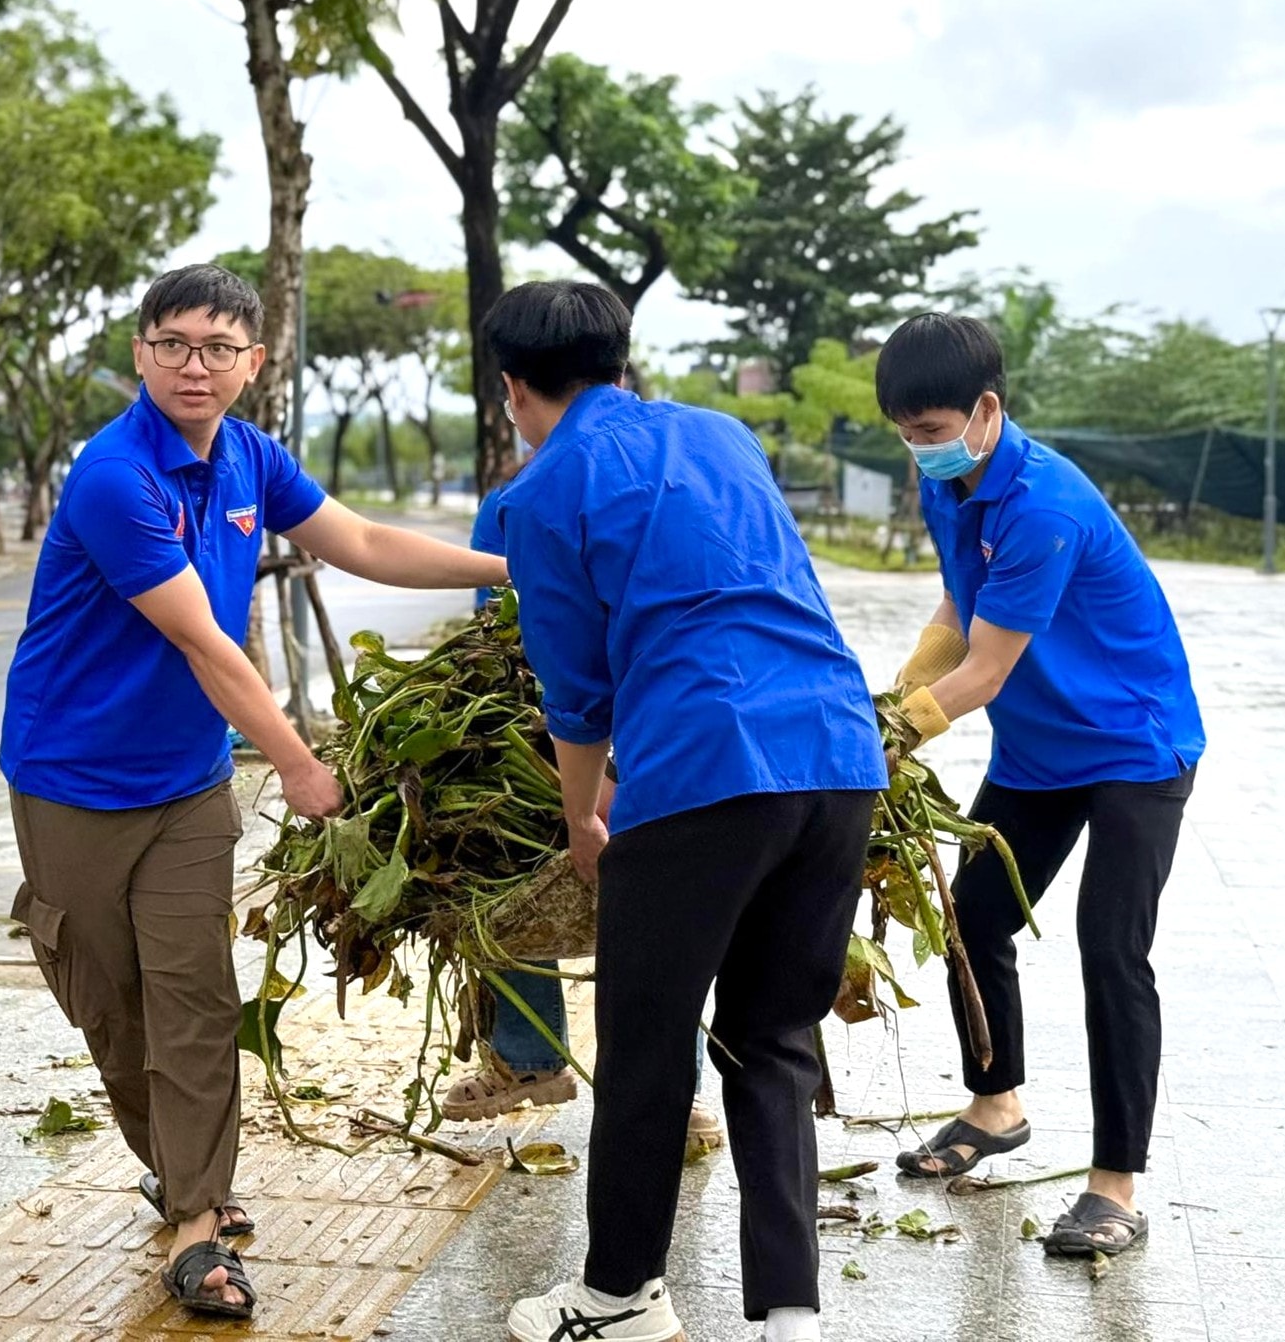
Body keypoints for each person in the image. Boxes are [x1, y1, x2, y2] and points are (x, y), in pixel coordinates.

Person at [0, 264, 506, 1321]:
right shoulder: (114, 476)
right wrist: (298, 760)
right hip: (72, 781)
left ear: (254, 362)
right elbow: (204, 642)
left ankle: (198, 1225)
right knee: (112, 1009)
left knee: (193, 998)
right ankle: (177, 1168)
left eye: (219, 348)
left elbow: (360, 542)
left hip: (187, 785)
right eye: (175, 344)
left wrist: (510, 570)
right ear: (141, 352)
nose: (196, 365)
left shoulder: (250, 457)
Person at [489, 281, 886, 1342]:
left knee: (648, 1044)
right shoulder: (721, 434)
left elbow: (577, 694)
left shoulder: (543, 491)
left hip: (703, 769)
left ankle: (620, 1295)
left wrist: (583, 818)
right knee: (774, 1037)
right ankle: (791, 1315)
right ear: (621, 363)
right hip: (839, 753)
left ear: (514, 389)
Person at [876, 313, 1205, 1262]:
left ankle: (1114, 1188)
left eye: (931, 430)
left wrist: (886, 738)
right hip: (1039, 750)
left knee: (1111, 948)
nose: (918, 448)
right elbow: (958, 607)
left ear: (986, 410)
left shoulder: (1042, 506)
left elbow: (982, 675)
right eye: (905, 433)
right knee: (973, 917)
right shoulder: (948, 482)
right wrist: (897, 693)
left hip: (1133, 744)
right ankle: (995, 1106)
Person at [446, 463, 727, 1159]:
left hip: (657, 707)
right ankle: (528, 1057)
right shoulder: (513, 503)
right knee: (485, 856)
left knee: (669, 913)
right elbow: (505, 632)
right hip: (549, 710)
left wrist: (605, 796)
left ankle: (678, 1089)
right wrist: (578, 793)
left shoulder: (666, 490)